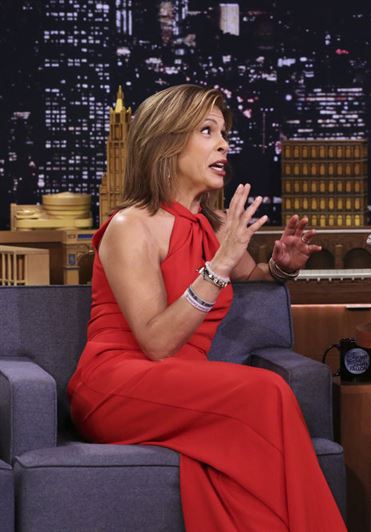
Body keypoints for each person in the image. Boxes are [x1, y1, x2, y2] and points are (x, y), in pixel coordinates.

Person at [67, 84, 346, 531]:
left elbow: (252, 275)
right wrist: (219, 263)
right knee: (267, 391)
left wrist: (283, 264)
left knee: (255, 417)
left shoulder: (214, 225)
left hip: (185, 384)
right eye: (207, 130)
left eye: (224, 133)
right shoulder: (130, 226)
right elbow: (157, 343)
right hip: (117, 386)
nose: (223, 144)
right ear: (166, 141)